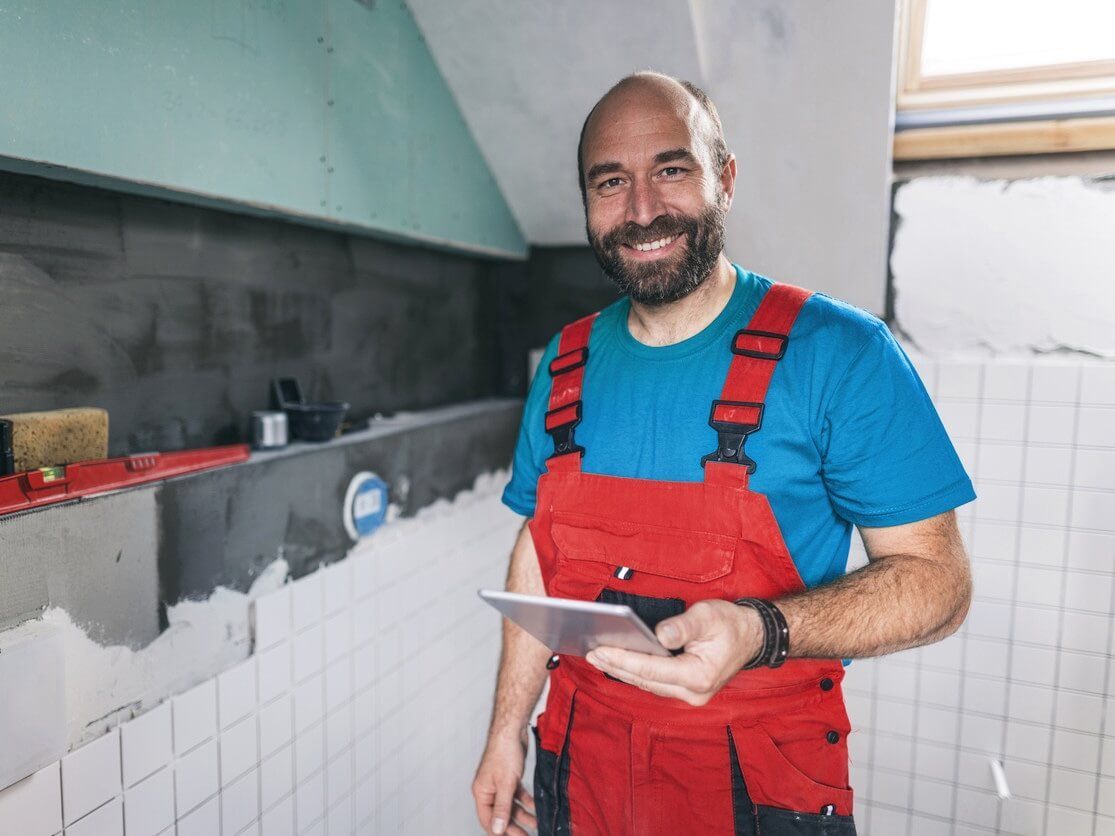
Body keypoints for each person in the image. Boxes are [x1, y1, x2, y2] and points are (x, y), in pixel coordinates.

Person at [471, 71, 974, 836]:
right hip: (579, 769)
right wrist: (506, 728)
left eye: (671, 170)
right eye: (611, 182)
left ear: (725, 180)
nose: (641, 210)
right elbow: (538, 551)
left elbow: (938, 583)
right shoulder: (564, 364)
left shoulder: (839, 353)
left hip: (757, 787)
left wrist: (762, 629)